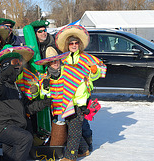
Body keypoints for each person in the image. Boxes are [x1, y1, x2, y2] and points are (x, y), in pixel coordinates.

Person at [0, 46, 53, 161]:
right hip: (3, 126)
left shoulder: (15, 86)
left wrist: (45, 103)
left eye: (20, 64)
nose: (19, 68)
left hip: (16, 126)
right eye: (16, 64)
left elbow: (27, 107)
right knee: (26, 138)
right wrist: (3, 74)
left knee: (10, 157)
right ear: (6, 66)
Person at [55, 25, 107, 160]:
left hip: (81, 100)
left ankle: (70, 156)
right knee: (70, 126)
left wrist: (94, 71)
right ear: (67, 45)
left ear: (80, 44)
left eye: (76, 43)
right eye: (71, 43)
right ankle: (84, 150)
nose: (73, 45)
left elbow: (97, 74)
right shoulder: (63, 60)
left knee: (75, 129)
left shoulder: (87, 58)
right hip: (66, 99)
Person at [35, 46, 91, 161]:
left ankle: (70, 156)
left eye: (56, 60)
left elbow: (81, 86)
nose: (55, 63)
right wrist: (45, 87)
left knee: (73, 131)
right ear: (48, 64)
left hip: (75, 104)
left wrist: (81, 104)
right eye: (52, 61)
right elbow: (43, 95)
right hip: (60, 108)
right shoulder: (46, 76)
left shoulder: (69, 70)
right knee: (71, 129)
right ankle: (84, 149)